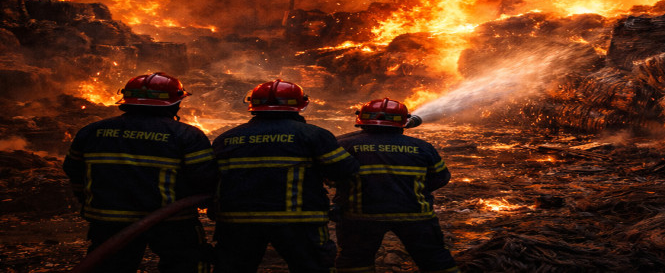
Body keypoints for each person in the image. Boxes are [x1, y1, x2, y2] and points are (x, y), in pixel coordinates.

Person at [63, 72, 218, 273]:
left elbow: (74, 171)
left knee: (108, 267)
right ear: (175, 103)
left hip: (108, 220)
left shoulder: (91, 131)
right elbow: (205, 179)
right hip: (171, 222)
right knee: (187, 265)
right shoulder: (186, 135)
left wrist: (89, 202)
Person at [211, 79, 359, 273]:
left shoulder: (226, 138)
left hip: (237, 222)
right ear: (301, 104)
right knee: (312, 268)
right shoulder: (313, 135)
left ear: (253, 105)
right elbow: (345, 170)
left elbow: (208, 178)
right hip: (299, 223)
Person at [333, 98, 459, 273]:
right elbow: (441, 177)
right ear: (403, 122)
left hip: (361, 215)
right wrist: (410, 190)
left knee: (355, 261)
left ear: (361, 119)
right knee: (435, 259)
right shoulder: (422, 147)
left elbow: (331, 176)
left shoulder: (345, 145)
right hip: (415, 214)